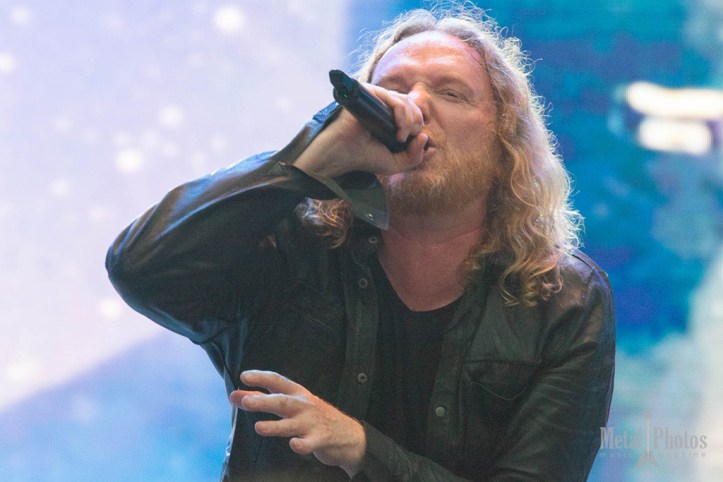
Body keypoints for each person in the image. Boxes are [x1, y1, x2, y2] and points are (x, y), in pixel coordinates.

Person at [106, 5, 615, 481]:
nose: (414, 106)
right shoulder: (286, 251)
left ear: (504, 141)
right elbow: (141, 270)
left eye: (451, 93)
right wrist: (305, 160)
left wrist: (360, 448)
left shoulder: (565, 302)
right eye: (390, 91)